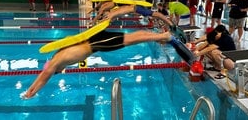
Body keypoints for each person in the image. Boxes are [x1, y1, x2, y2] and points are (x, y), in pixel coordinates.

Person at [23, 29, 195, 99]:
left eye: (58, 72)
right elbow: (44, 72)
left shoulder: (56, 63)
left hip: (98, 44)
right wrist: (32, 86)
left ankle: (163, 36)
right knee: (132, 38)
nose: (60, 72)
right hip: (96, 40)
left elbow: (45, 76)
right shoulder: (56, 58)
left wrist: (30, 92)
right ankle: (161, 36)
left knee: (132, 40)